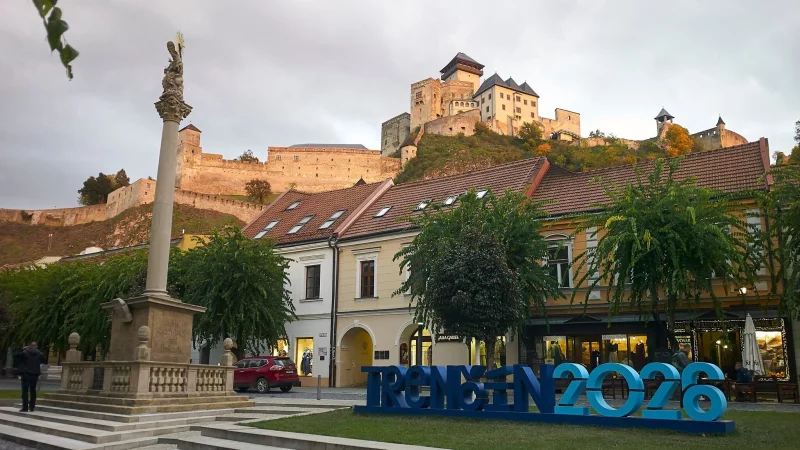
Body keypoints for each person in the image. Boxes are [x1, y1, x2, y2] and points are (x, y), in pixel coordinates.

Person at [15, 342, 47, 412]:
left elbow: (17, 356)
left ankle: (25, 407)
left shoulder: (24, 353)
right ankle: (32, 407)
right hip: (35, 375)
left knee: (25, 391)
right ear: (36, 347)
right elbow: (44, 361)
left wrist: (22, 349)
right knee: (33, 390)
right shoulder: (40, 354)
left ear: (29, 346)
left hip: (26, 374)